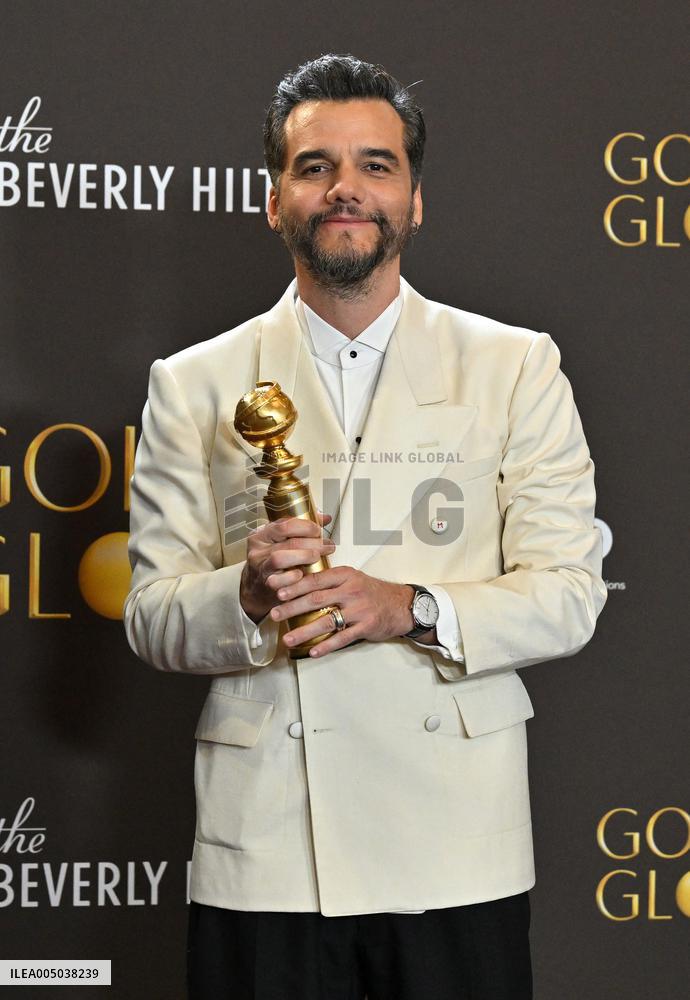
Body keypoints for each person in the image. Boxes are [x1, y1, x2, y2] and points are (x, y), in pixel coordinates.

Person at [124, 53, 606, 1000]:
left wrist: (410, 608)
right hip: (267, 850)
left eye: (376, 165)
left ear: (415, 200)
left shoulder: (514, 366)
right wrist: (245, 598)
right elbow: (151, 614)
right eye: (316, 167)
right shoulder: (193, 381)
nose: (346, 188)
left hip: (456, 852)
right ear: (275, 199)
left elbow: (569, 594)